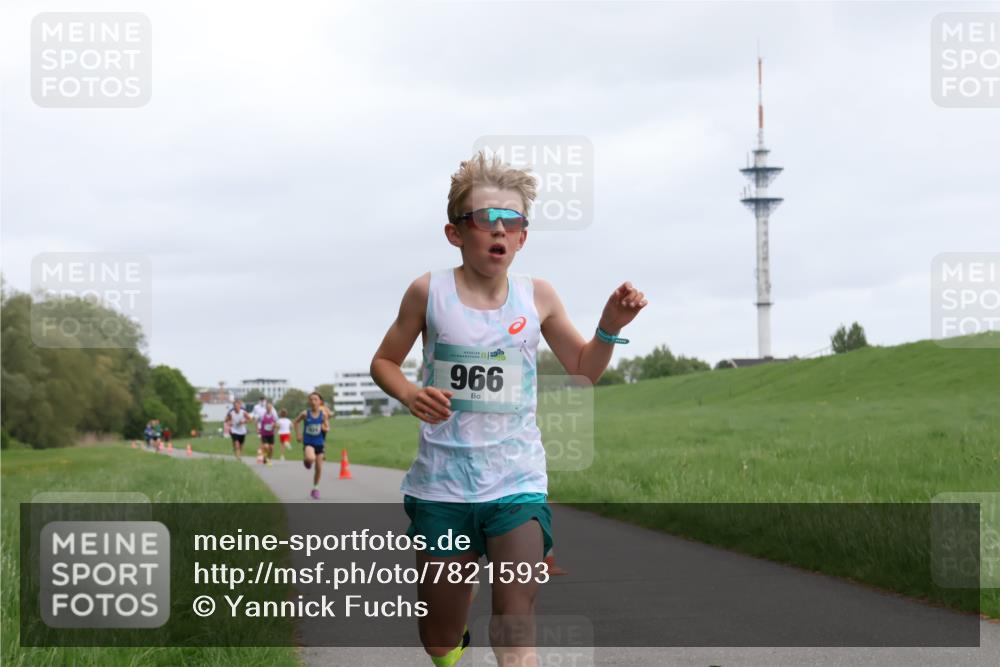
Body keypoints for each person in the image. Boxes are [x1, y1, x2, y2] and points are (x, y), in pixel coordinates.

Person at [370, 151, 646, 667]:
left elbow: (584, 367)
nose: (499, 231)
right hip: (443, 487)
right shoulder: (427, 293)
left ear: (522, 237)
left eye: (512, 221)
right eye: (485, 220)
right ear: (455, 233)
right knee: (439, 634)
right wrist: (409, 393)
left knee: (516, 616)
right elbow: (384, 361)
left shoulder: (536, 296)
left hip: (516, 481)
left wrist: (610, 326)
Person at [293, 392, 330, 499]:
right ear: (309, 402)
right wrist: (298, 435)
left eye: (316, 399)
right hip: (308, 442)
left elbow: (327, 427)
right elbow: (295, 422)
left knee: (319, 467)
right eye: (311, 399)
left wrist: (325, 428)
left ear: (320, 402)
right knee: (310, 458)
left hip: (319, 443)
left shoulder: (323, 415)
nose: (313, 402)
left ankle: (315, 488)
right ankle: (307, 461)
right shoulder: (305, 413)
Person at [258, 400, 278, 465]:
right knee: (266, 447)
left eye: (270, 407)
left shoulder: (274, 414)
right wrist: (258, 429)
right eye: (267, 407)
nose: (268, 408)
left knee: (271, 448)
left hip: (271, 434)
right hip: (264, 433)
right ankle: (265, 457)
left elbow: (277, 424)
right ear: (266, 407)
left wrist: (274, 426)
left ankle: (268, 459)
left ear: (271, 407)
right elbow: (257, 421)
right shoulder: (262, 414)